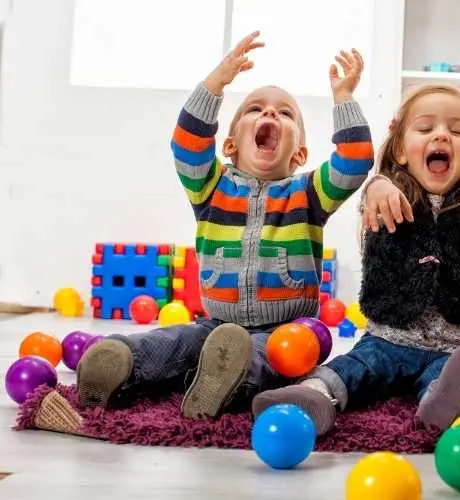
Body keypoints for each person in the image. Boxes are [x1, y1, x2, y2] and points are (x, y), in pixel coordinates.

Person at [75, 31, 374, 420]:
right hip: (217, 323)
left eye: (285, 114)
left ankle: (223, 382)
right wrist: (216, 83)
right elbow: (187, 142)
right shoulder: (210, 186)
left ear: (299, 153)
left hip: (288, 327)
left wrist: (344, 98)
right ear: (230, 145)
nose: (269, 114)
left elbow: (355, 161)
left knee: (278, 356)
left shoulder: (309, 193)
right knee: (177, 341)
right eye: (255, 109)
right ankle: (122, 362)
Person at [251, 84, 460, 435]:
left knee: (449, 378)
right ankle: (313, 394)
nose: (442, 135)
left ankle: (441, 404)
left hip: (456, 347)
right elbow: (373, 203)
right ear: (402, 150)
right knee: (355, 366)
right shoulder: (388, 195)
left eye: (457, 130)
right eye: (426, 128)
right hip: (389, 339)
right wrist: (377, 186)